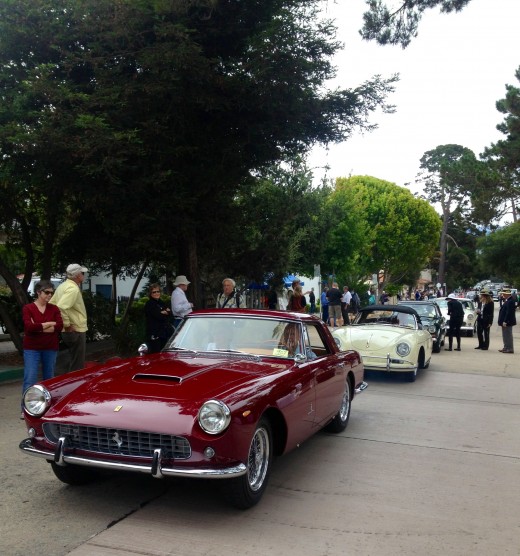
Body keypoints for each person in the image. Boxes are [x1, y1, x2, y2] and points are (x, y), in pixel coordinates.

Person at [21, 280, 63, 416]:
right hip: (32, 348)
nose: (49, 295)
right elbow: (29, 327)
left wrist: (39, 326)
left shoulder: (54, 308)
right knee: (30, 377)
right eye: (47, 292)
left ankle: (47, 407)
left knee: (49, 378)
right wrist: (48, 324)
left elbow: (59, 326)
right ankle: (26, 409)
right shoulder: (28, 308)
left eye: (51, 292)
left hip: (50, 347)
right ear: (38, 292)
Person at [50, 263, 88, 371]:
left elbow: (52, 305)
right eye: (82, 273)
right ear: (77, 275)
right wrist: (66, 324)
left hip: (69, 330)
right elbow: (61, 307)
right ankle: (74, 386)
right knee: (77, 363)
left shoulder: (63, 286)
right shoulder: (73, 289)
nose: (83, 275)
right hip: (75, 329)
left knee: (73, 360)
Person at [144, 283, 172, 353]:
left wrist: (163, 312)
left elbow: (169, 313)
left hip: (163, 333)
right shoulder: (149, 304)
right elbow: (157, 315)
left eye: (158, 291)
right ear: (150, 293)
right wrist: (163, 312)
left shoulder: (161, 302)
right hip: (154, 333)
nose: (156, 293)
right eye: (154, 292)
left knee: (164, 352)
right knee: (155, 353)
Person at [497, 288, 516, 354]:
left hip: (508, 321)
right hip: (505, 321)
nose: (503, 295)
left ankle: (510, 348)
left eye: (504, 294)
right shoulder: (508, 300)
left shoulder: (511, 301)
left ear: (507, 294)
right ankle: (506, 347)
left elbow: (509, 312)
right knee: (505, 335)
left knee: (508, 335)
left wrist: (505, 321)